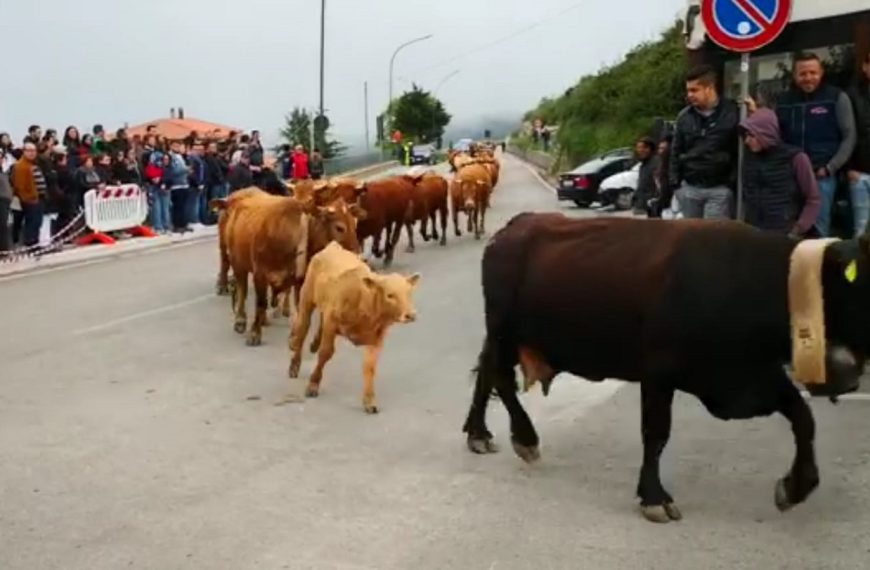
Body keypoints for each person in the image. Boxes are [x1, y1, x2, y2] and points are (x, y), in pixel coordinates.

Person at [749, 52, 856, 236]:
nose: (808, 78)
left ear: (821, 72)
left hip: (821, 176)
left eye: (813, 73)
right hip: (790, 176)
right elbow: (774, 133)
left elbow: (849, 136)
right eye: (803, 73)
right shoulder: (784, 101)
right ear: (795, 75)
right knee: (789, 230)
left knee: (818, 229)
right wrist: (756, 113)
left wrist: (831, 167)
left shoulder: (837, 97)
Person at [668, 64, 740, 220]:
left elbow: (738, 149)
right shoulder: (684, 117)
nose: (689, 95)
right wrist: (675, 185)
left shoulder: (732, 112)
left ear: (709, 88)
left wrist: (730, 183)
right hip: (690, 187)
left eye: (694, 90)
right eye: (688, 90)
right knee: (692, 237)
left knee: (713, 238)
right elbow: (675, 151)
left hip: (719, 188)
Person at [739, 108, 821, 239]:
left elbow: (813, 198)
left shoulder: (796, 158)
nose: (747, 141)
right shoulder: (750, 157)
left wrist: (798, 229)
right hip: (753, 230)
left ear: (764, 133)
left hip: (784, 231)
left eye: (751, 135)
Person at [848, 52, 870, 236]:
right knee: (861, 233)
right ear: (865, 67)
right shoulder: (853, 95)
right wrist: (849, 167)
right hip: (860, 173)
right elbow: (846, 133)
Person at [10, 142, 47, 247]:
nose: (32, 153)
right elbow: (19, 185)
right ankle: (31, 244)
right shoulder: (20, 166)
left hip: (38, 198)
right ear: (24, 151)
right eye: (29, 151)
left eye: (34, 151)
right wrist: (29, 198)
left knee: (37, 223)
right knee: (32, 223)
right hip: (30, 200)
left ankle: (35, 243)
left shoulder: (33, 164)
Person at [632, 137, 659, 216]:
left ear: (649, 149)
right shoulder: (643, 165)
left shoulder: (656, 163)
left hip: (654, 205)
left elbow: (658, 185)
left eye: (642, 147)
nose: (639, 150)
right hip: (646, 207)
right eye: (638, 148)